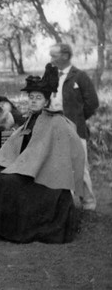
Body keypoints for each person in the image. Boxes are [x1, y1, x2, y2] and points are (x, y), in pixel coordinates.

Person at [0, 65, 85, 243]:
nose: (33, 101)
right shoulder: (31, 118)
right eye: (31, 98)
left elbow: (71, 148)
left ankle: (15, 232)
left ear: (46, 101)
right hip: (27, 167)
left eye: (38, 98)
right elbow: (17, 142)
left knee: (8, 182)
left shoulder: (57, 121)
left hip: (44, 175)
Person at [49, 43, 99, 211]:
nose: (51, 59)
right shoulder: (51, 75)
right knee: (59, 167)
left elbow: (92, 102)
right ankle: (66, 207)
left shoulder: (80, 76)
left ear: (65, 56)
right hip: (55, 129)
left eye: (53, 56)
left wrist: (77, 118)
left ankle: (88, 205)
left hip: (76, 130)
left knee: (80, 166)